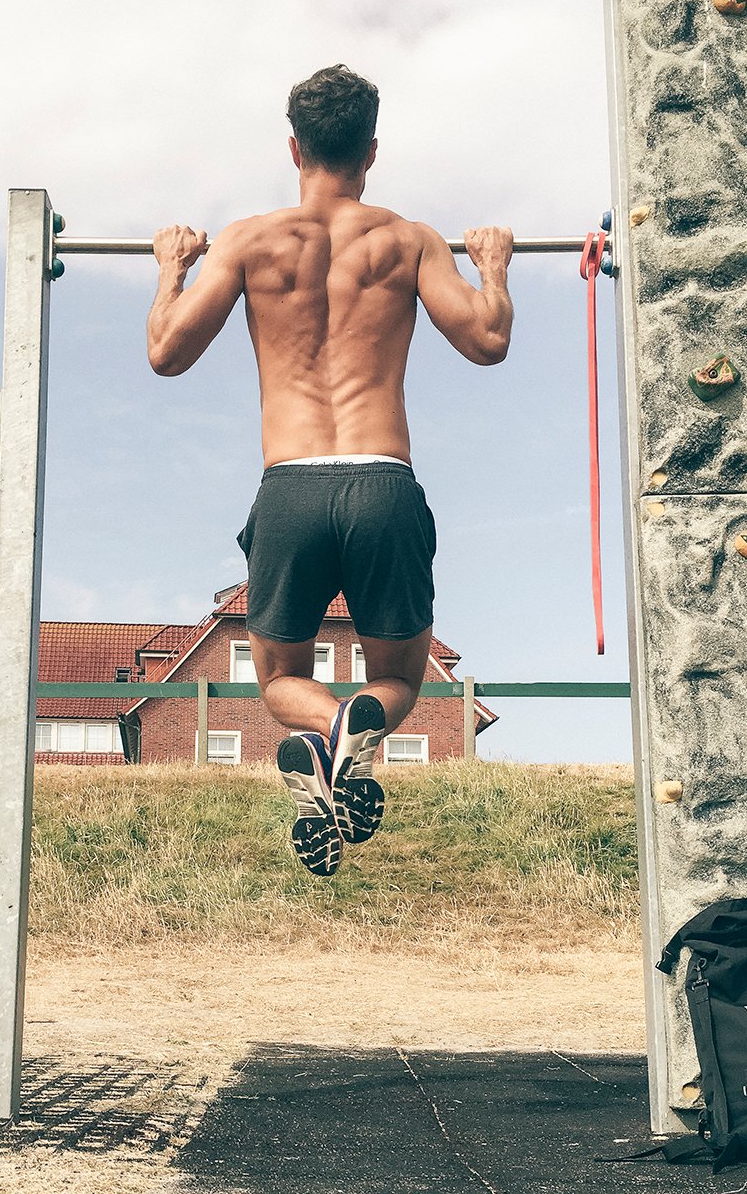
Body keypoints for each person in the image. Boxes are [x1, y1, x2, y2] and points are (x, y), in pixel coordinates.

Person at [147, 64, 514, 877]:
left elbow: (165, 353)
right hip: (382, 482)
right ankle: (355, 730)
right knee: (400, 676)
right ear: (371, 151)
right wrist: (492, 265)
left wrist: (172, 265)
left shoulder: (248, 240)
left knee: (279, 678)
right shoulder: (407, 240)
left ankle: (325, 735)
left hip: (291, 487)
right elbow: (488, 341)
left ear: (293, 148)